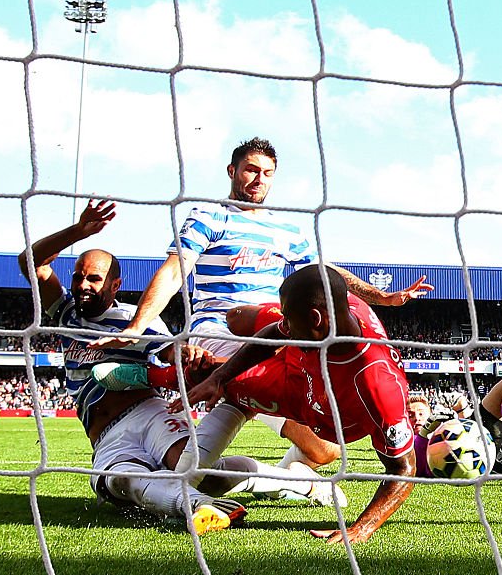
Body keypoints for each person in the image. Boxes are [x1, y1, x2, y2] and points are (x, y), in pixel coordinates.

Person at [90, 137, 432, 479]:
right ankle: (160, 375)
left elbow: (323, 276)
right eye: (251, 170)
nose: (259, 179)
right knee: (251, 373)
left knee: (325, 450)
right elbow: (174, 270)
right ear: (232, 171)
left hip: (277, 331)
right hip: (219, 329)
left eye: (267, 173)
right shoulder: (209, 215)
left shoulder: (287, 229)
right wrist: (137, 325)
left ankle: (284, 478)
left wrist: (381, 296)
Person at [19, 200, 343, 536]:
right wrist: (79, 231)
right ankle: (211, 501)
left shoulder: (137, 321)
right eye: (78, 276)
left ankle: (252, 492)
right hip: (106, 436)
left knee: (197, 470)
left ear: (114, 286)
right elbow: (30, 262)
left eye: (94, 279)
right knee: (122, 483)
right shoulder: (65, 314)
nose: (83, 284)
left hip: (150, 413)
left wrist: (186, 350)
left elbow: (173, 352)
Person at [178, 265, 418, 544]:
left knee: (197, 375)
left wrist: (362, 528)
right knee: (234, 320)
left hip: (308, 402)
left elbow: (403, 468)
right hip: (303, 360)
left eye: (290, 319)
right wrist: (221, 375)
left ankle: (301, 481)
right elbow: (280, 327)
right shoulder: (338, 308)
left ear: (316, 319)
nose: (286, 327)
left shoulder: (376, 383)